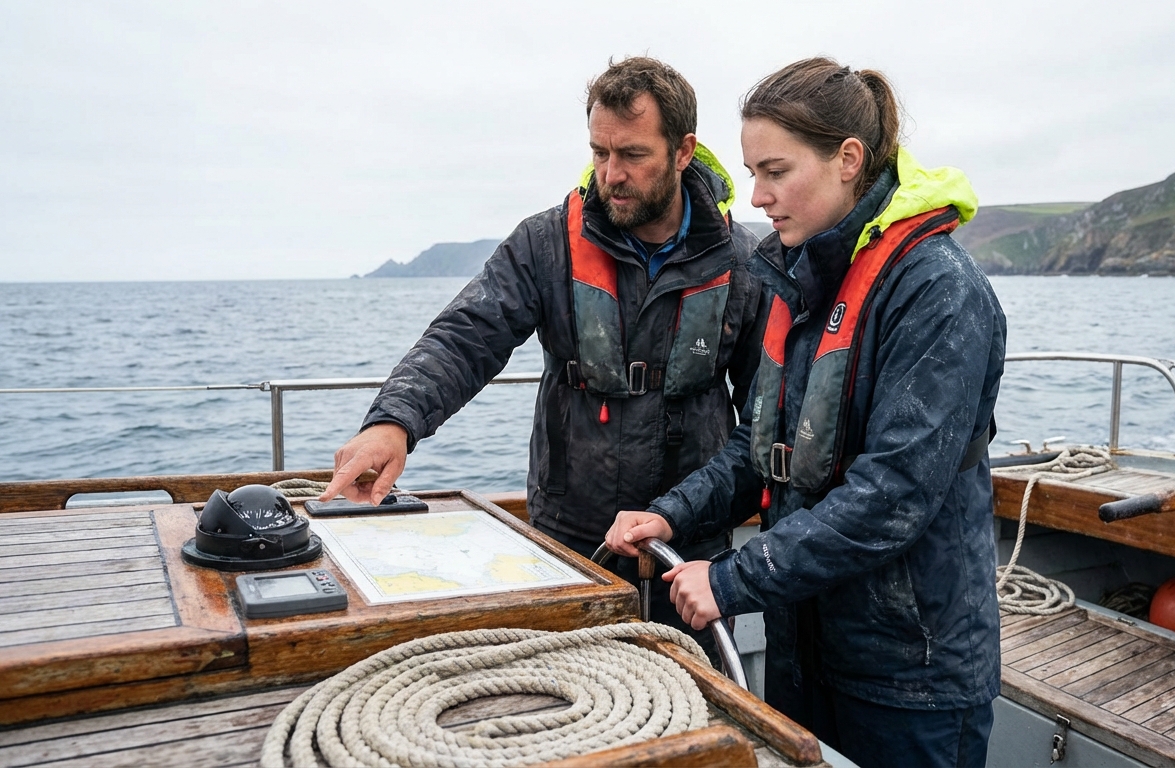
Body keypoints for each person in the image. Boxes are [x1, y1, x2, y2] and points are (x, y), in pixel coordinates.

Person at [605, 58, 1006, 768]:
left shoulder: (940, 293)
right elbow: (758, 449)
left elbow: (894, 495)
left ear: (848, 159)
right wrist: (671, 513)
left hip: (909, 673)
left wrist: (729, 580)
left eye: (775, 171)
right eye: (752, 172)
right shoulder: (801, 280)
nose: (756, 196)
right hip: (804, 649)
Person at [321, 57, 766, 661]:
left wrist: (686, 517)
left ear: (684, 151)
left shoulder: (742, 264)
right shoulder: (546, 243)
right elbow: (466, 335)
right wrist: (393, 421)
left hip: (685, 547)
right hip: (570, 537)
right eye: (599, 152)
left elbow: (766, 423)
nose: (612, 174)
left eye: (633, 154)